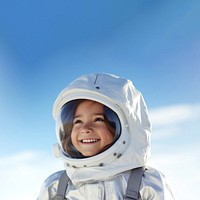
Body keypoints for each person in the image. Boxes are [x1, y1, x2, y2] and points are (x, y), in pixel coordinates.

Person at [38, 73, 175, 200]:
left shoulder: (147, 184)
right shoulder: (56, 187)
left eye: (98, 119)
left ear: (126, 127)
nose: (85, 129)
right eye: (78, 121)